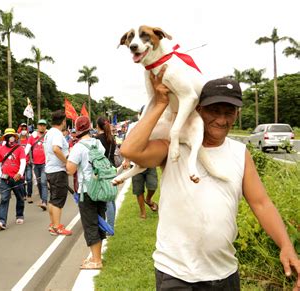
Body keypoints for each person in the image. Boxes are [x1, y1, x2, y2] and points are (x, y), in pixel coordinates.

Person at [121, 68, 300, 290]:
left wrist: (285, 245)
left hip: (224, 274)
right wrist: (159, 104)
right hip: (177, 275)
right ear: (197, 110)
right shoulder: (173, 147)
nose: (222, 120)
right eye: (214, 111)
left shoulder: (239, 152)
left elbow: (261, 203)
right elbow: (129, 150)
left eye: (229, 112)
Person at [67, 116, 106, 269]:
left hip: (86, 190)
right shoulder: (98, 143)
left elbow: (70, 170)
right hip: (101, 187)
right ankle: (97, 256)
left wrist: (69, 161)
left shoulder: (78, 147)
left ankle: (96, 260)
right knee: (99, 221)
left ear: (77, 130)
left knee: (90, 224)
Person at [123, 106, 159, 219]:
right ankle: (142, 212)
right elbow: (127, 143)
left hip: (150, 162)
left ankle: (148, 200)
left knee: (153, 185)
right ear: (140, 114)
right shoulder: (133, 126)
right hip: (136, 164)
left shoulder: (155, 125)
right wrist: (127, 160)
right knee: (138, 190)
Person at [44, 110, 72, 236]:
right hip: (57, 171)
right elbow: (56, 149)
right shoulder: (57, 134)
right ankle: (56, 226)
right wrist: (66, 162)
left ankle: (53, 224)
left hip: (50, 170)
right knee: (58, 200)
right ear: (63, 121)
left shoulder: (49, 132)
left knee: (53, 199)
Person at [0, 128, 26, 230]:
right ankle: (1, 221)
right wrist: (0, 175)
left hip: (17, 178)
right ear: (5, 138)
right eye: (8, 136)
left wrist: (20, 173)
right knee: (4, 199)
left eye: (12, 136)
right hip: (5, 179)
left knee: (20, 197)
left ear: (15, 137)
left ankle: (19, 215)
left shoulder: (20, 148)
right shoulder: (1, 149)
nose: (10, 138)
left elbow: (23, 162)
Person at [95, 117, 117, 231]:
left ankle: (110, 228)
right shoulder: (112, 138)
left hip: (104, 171)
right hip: (112, 169)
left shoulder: (97, 139)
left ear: (98, 126)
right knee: (112, 199)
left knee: (107, 201)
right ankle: (112, 225)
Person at [25, 119, 49, 210]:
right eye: (40, 125)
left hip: (45, 163)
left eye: (44, 125)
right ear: (37, 126)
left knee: (43, 182)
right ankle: (42, 198)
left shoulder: (48, 136)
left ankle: (44, 202)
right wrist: (23, 160)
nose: (42, 126)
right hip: (35, 164)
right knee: (39, 182)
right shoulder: (32, 137)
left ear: (46, 126)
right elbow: (27, 149)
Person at [18, 123, 33, 203]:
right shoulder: (17, 140)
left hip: (28, 162)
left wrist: (32, 159)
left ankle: (29, 195)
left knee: (29, 179)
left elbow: (33, 149)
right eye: (22, 129)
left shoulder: (29, 139)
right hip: (20, 164)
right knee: (21, 180)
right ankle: (23, 194)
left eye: (25, 129)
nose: (23, 131)